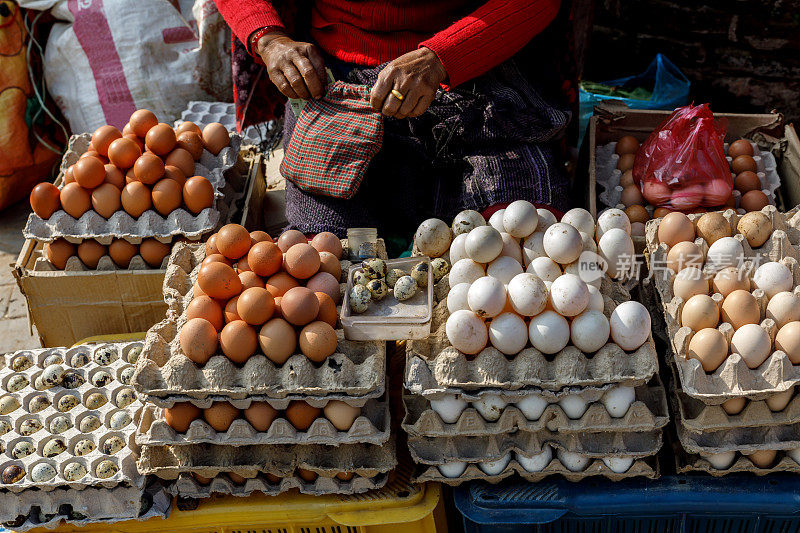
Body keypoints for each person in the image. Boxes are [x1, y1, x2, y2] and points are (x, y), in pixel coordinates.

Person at [214, 0, 576, 237]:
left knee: (525, 236)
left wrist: (441, 57)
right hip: (339, 85)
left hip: (479, 75)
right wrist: (269, 38)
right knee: (322, 253)